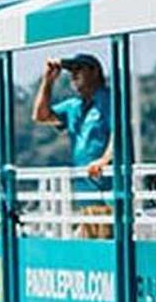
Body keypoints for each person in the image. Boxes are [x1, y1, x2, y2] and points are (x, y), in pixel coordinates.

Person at [33, 53, 114, 236]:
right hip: (85, 194)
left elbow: (120, 132)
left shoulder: (109, 99)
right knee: (90, 256)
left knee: (108, 250)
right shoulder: (73, 106)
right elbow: (40, 116)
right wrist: (48, 81)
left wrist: (104, 159)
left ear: (94, 72)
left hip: (109, 192)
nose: (73, 75)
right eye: (70, 71)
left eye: (79, 69)